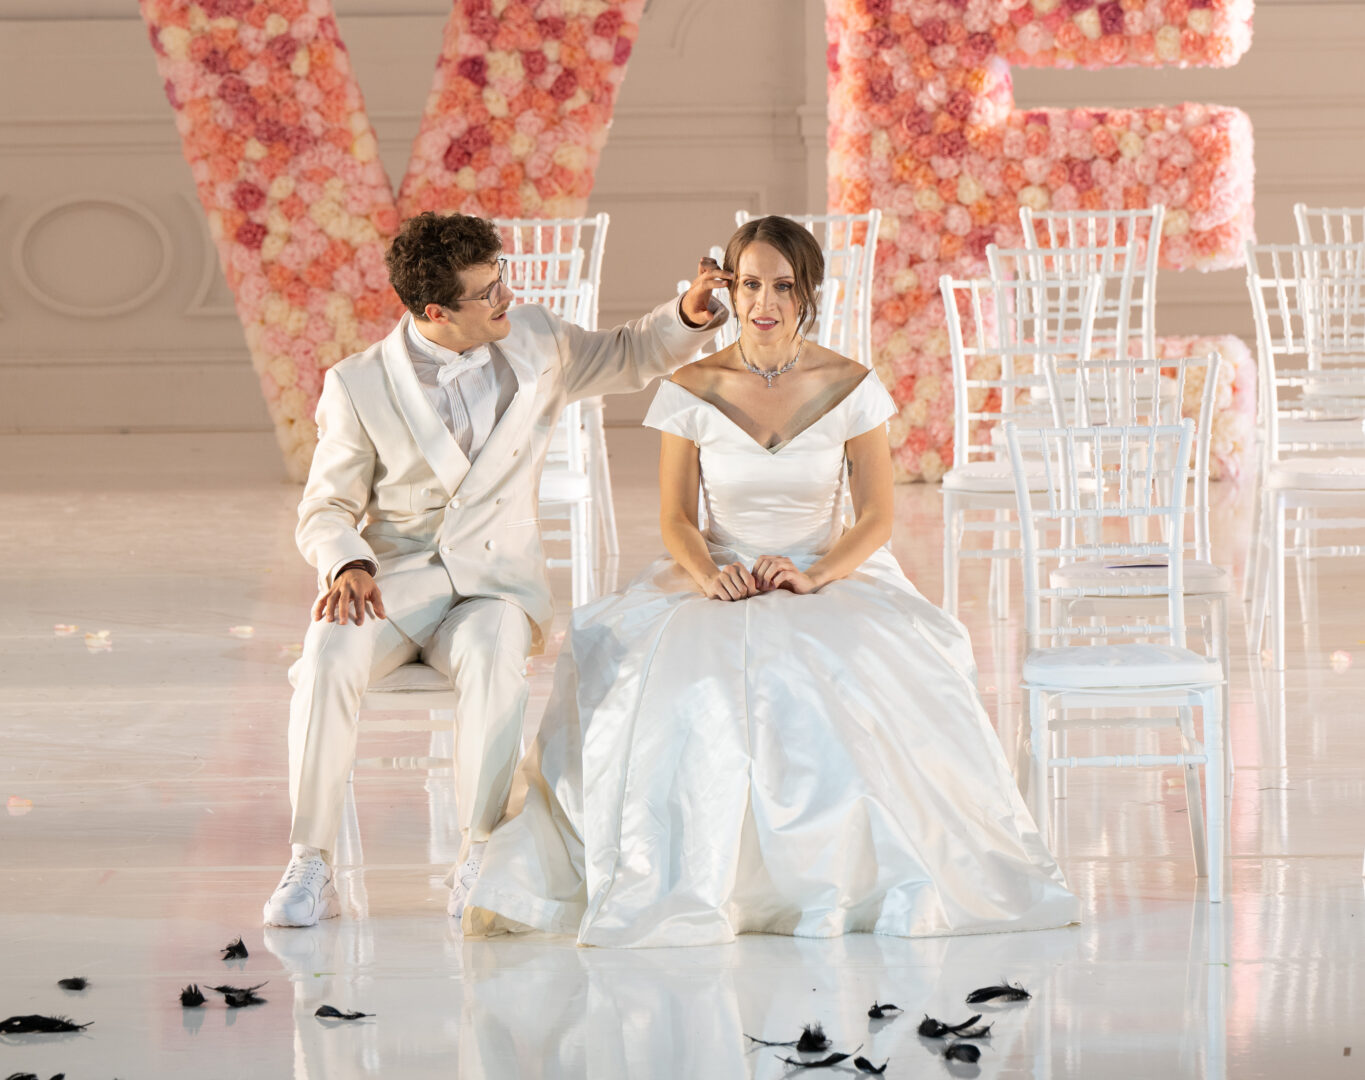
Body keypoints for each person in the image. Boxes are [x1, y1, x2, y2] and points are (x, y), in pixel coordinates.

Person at [465, 214, 1079, 946]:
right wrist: (708, 577)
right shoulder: (690, 386)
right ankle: (700, 883)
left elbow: (876, 517)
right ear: (728, 286)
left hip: (825, 569)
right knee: (667, 685)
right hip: (714, 572)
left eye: (782, 287)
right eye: (750, 283)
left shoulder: (849, 384)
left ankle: (838, 879)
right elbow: (674, 519)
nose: (765, 302)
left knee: (862, 675)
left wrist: (816, 574)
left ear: (806, 293)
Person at [264, 210, 727, 928]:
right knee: (325, 656)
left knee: (493, 661)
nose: (505, 295)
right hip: (393, 583)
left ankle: (479, 851)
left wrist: (689, 315)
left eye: (501, 277)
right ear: (434, 312)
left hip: (497, 588)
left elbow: (628, 354)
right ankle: (310, 861)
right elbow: (324, 506)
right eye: (487, 291)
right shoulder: (355, 384)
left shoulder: (538, 341)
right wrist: (346, 563)